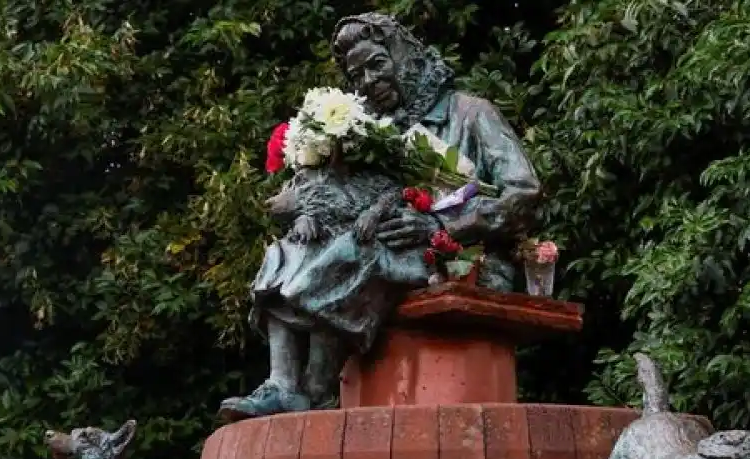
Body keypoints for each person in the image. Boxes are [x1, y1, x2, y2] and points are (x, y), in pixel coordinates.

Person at [217, 12, 542, 422]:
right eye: (358, 75)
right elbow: (340, 197)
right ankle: (282, 384)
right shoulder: (370, 131)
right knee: (290, 249)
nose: (369, 81)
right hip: (383, 245)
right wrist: (302, 210)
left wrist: (441, 225)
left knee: (355, 250)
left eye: (377, 65)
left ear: (405, 58)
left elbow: (524, 194)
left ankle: (316, 391)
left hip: (463, 258)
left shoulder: (471, 113)